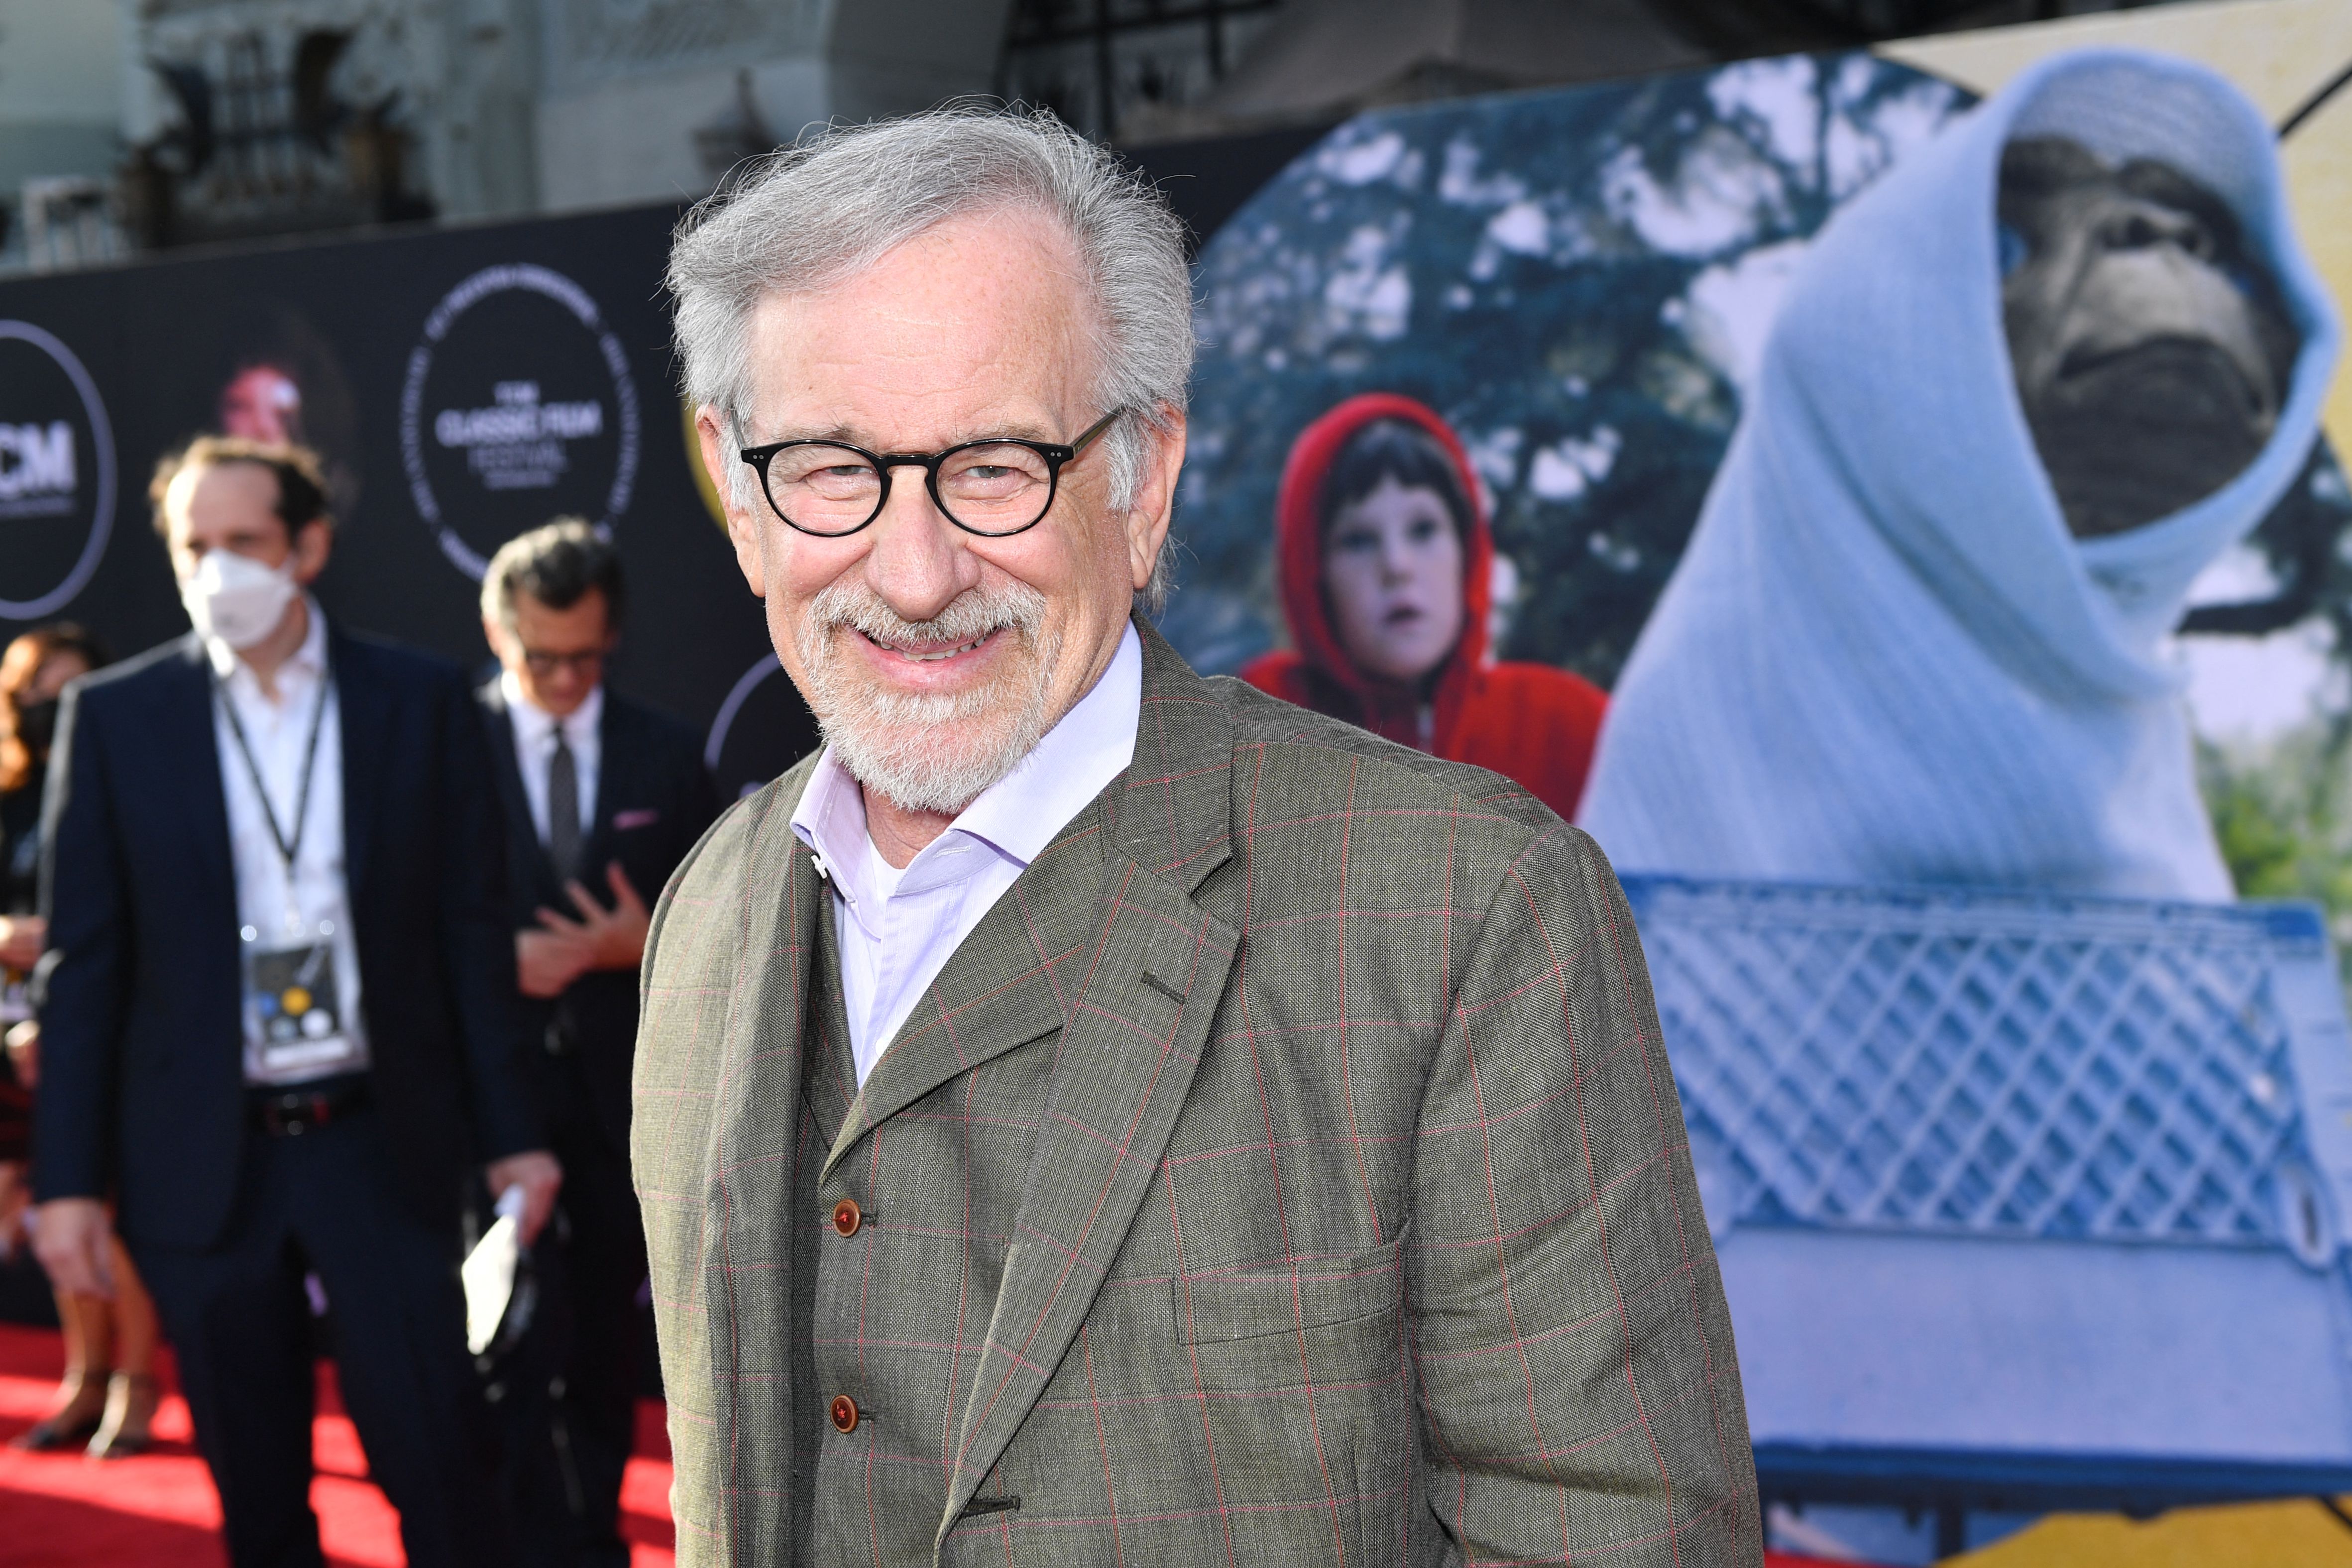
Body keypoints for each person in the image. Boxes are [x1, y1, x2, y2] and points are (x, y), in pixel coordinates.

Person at [641, 107, 1758, 1566]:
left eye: (996, 464)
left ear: (1144, 481)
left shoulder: (1468, 916)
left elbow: (1617, 1537)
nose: (914, 575)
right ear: (739, 492)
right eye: (833, 468)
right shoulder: (708, 917)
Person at [1577, 50, 2342, 897]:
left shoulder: (2157, 822)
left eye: (2223, 258)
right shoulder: (1678, 798)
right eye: (2005, 248)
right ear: (1856, 363)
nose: (2164, 240)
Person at [31, 436, 560, 1568]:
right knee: (259, 1504)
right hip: (201, 1160)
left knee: (445, 1473)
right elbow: (85, 967)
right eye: (195, 547)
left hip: (379, 1143)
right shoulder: (117, 719)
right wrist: (67, 1182)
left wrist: (515, 1136)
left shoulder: (418, 701)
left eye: (245, 541)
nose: (217, 569)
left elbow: (471, 939)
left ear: (307, 548)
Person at [476, 518, 718, 1568]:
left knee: (609, 1337)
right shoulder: (442, 743)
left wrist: (642, 941)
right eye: (542, 658)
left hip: (628, 1100)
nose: (566, 678)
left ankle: (590, 1539)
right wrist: (500, 961)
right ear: (497, 630)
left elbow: (724, 920)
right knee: (496, 1338)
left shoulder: (666, 750)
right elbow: (389, 918)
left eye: (586, 656)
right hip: (486, 1102)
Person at [1241, 393, 1610, 819]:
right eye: (1358, 540)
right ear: (1311, 573)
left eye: (1423, 529)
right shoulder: (1255, 734)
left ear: (1467, 551)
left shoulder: (1567, 729)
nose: (1397, 565)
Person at [0, 624, 164, 1458]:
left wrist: (63, 948)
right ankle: (85, 1375)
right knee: (56, 1206)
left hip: (113, 1028)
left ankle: (137, 1379)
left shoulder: (133, 784)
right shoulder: (10, 799)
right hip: (21, 1034)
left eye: (63, 694)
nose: (45, 711)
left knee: (115, 1214)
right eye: (29, 697)